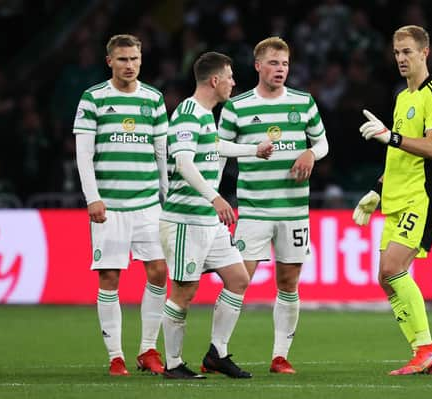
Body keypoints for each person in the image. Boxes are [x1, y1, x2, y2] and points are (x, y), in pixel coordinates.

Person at [159, 51, 273, 380]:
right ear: (215, 80)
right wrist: (215, 197)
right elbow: (183, 162)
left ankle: (217, 354)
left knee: (238, 279)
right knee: (183, 292)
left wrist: (253, 150)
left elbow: (214, 148)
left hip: (208, 222)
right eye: (230, 76)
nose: (234, 82)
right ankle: (173, 363)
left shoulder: (206, 116)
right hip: (185, 220)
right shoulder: (187, 113)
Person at [218, 36, 329, 374]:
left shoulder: (304, 102)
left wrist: (311, 152)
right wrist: (213, 193)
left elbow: (323, 142)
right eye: (274, 63)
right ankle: (217, 351)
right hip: (253, 208)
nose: (280, 69)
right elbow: (219, 150)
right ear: (258, 66)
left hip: (294, 209)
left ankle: (280, 356)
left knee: (289, 279)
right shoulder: (237, 106)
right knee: (239, 278)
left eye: (285, 64)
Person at [353, 25, 432, 376]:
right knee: (385, 277)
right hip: (397, 199)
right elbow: (398, 157)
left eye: (407, 52)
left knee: (393, 268)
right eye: (397, 52)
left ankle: (427, 347)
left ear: (425, 52)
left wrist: (390, 136)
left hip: (423, 197)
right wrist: (376, 191)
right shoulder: (402, 97)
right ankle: (423, 351)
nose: (401, 58)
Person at [73, 34, 169, 377]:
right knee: (110, 277)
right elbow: (84, 155)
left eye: (134, 59)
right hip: (110, 206)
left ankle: (147, 350)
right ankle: (116, 355)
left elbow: (161, 153)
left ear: (141, 60)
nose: (129, 65)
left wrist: (166, 194)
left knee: (159, 272)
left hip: (147, 205)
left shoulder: (153, 99)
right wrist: (93, 198)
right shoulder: (93, 98)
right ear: (109, 61)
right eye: (123, 59)